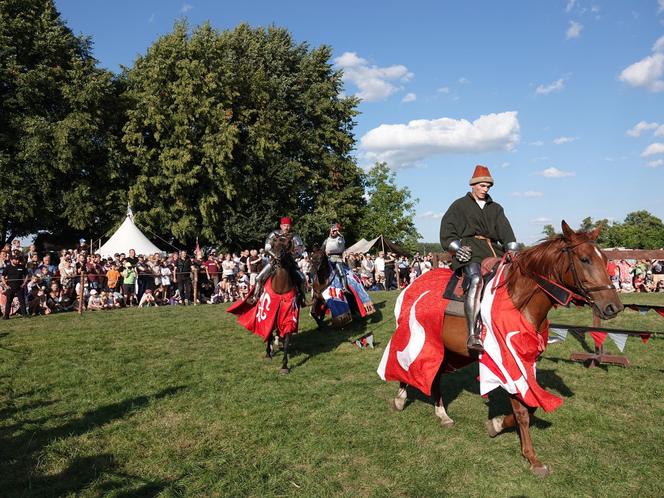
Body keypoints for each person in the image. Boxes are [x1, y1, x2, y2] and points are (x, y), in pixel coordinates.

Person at [440, 164, 518, 351]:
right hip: (470, 250)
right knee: (475, 279)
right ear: (473, 185)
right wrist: (456, 249)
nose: (485, 189)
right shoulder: (459, 205)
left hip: (494, 250)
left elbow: (507, 232)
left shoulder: (496, 208)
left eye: (488, 186)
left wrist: (513, 249)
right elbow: (447, 230)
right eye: (482, 185)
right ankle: (472, 334)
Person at [248, 216, 306, 304]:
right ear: (281, 226)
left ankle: (302, 298)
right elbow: (267, 247)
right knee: (258, 278)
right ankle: (255, 297)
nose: (286, 227)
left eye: (288, 225)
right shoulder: (274, 234)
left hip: (289, 262)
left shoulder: (295, 236)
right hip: (274, 261)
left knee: (302, 278)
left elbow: (300, 250)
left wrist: (291, 257)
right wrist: (275, 256)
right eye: (285, 225)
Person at [323, 223, 349, 292]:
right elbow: (322, 249)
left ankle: (344, 287)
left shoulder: (340, 239)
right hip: (328, 259)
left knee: (341, 272)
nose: (333, 232)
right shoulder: (326, 240)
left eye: (335, 231)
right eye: (332, 231)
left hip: (337, 258)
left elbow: (342, 240)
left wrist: (337, 231)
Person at [2, 253, 28, 319]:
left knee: (22, 301)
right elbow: (2, 277)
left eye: (18, 259)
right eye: (16, 259)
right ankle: (6, 316)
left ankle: (24, 315)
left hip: (19, 287)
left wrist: (24, 283)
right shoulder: (8, 267)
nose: (17, 261)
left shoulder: (22, 267)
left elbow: (27, 275)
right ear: (11, 260)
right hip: (10, 287)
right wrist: (6, 285)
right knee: (8, 302)